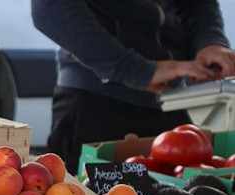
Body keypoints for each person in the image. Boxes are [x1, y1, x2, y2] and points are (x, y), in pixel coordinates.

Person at [31, 0, 235, 174]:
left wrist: (210, 41)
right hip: (96, 105)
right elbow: (50, 9)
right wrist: (137, 70)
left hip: (172, 106)